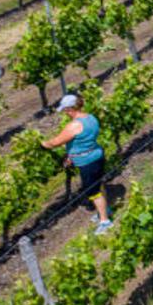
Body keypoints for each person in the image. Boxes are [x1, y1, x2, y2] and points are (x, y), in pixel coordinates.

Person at [42, 94, 113, 235]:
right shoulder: (91, 118)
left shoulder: (74, 125)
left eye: (64, 110)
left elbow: (55, 142)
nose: (64, 113)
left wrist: (42, 144)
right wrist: (72, 155)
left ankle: (105, 221)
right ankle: (105, 210)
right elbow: (81, 141)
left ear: (70, 109)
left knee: (93, 191)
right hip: (97, 154)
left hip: (87, 162)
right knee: (99, 184)